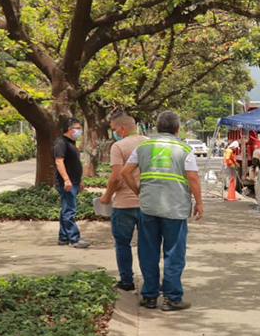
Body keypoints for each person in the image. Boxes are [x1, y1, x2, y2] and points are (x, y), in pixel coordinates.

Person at [123, 111, 203, 311]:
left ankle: (149, 296)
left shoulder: (143, 146)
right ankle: (172, 298)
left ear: (157, 127)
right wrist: (199, 203)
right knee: (174, 253)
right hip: (175, 209)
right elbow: (192, 178)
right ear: (177, 129)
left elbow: (125, 172)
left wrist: (139, 192)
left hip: (148, 208)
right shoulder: (184, 148)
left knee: (148, 251)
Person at [99, 112, 147, 291]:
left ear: (123, 128)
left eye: (114, 129)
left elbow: (116, 178)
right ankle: (150, 282)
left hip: (124, 205)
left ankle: (127, 282)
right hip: (146, 204)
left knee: (122, 244)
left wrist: (106, 196)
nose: (114, 133)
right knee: (147, 245)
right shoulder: (149, 144)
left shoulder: (119, 146)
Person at [52, 117, 90, 248]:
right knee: (70, 211)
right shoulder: (61, 143)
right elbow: (59, 161)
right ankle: (74, 239)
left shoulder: (71, 143)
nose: (79, 131)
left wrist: (79, 181)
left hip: (73, 182)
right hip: (66, 183)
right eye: (78, 128)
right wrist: (66, 180)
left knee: (66, 210)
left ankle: (63, 237)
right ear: (70, 129)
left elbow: (74, 164)